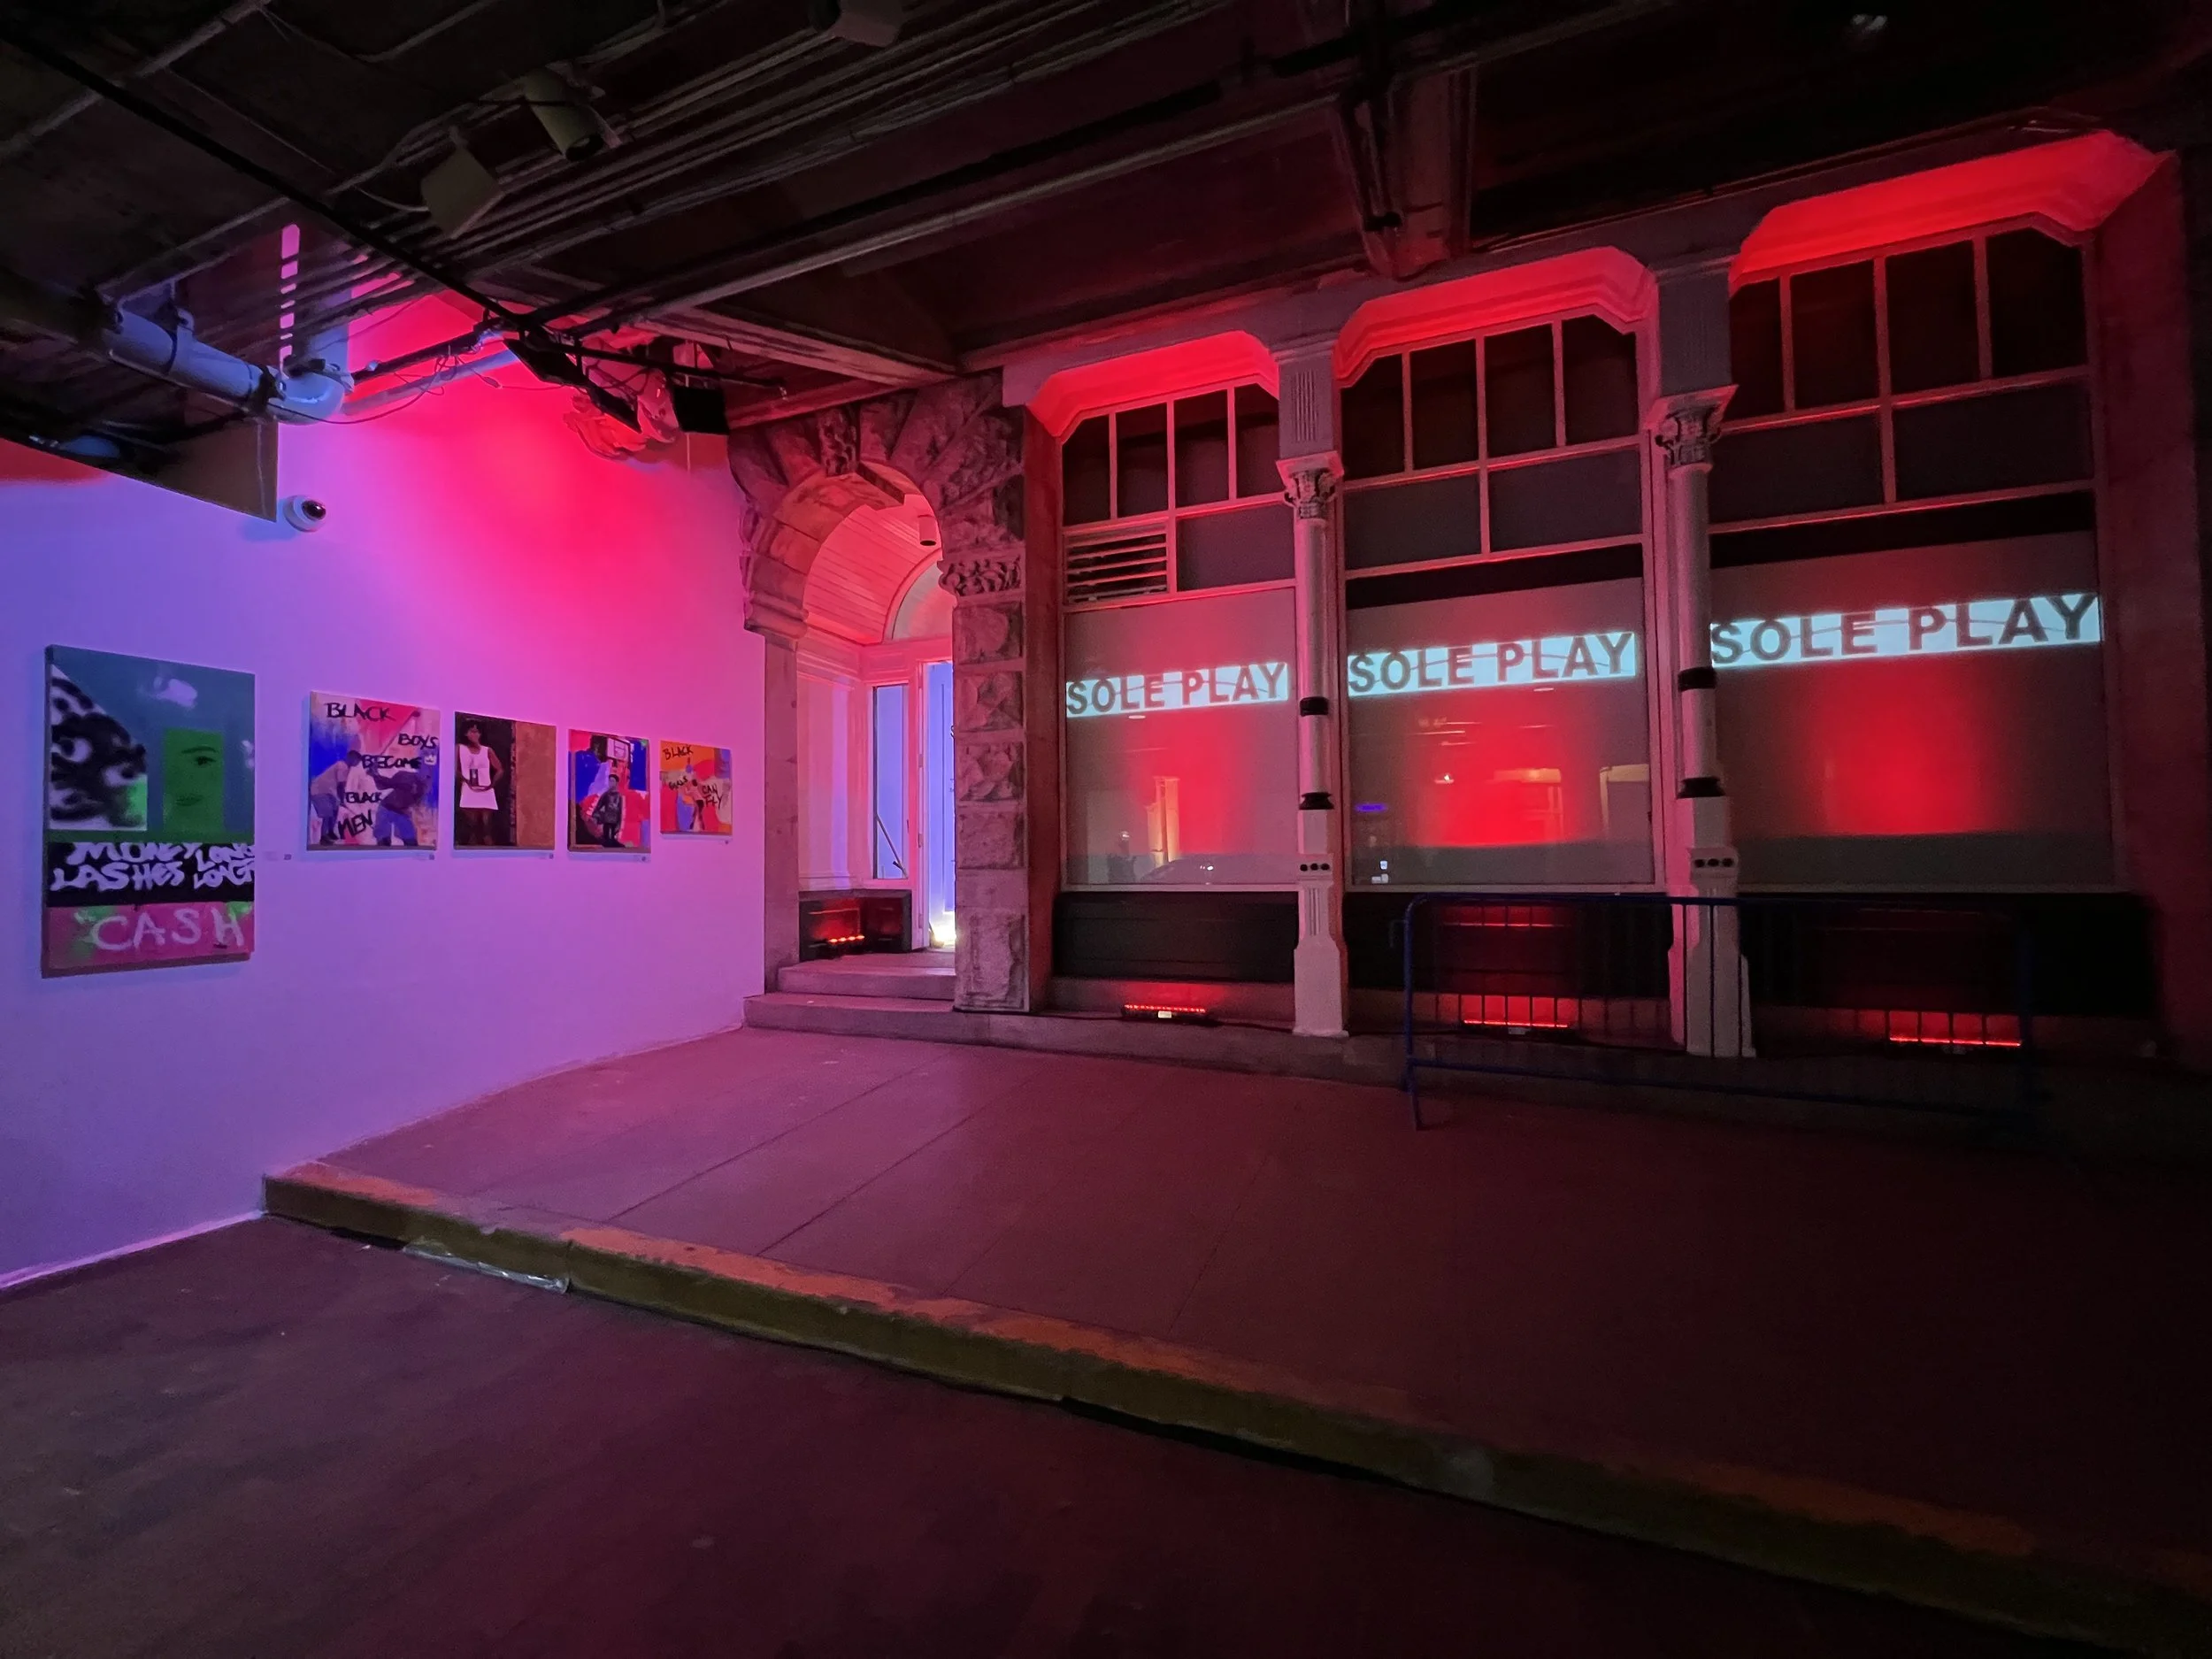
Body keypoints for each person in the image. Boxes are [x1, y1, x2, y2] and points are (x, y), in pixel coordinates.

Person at [455, 722, 503, 847]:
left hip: (485, 789)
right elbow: (454, 768)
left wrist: (492, 784)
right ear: (465, 734)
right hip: (469, 788)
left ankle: (490, 853)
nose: (475, 734)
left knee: (487, 827)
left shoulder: (487, 750)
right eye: (472, 731)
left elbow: (499, 769)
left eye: (477, 732)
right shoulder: (459, 748)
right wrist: (464, 780)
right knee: (472, 826)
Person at [365, 755, 429, 848]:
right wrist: (375, 775)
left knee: (410, 841)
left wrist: (375, 774)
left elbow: (417, 803)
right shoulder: (404, 775)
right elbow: (386, 784)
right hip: (386, 808)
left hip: (401, 812)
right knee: (383, 841)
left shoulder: (423, 787)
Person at [309, 749, 359, 845]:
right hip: (319, 790)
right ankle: (323, 837)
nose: (357, 763)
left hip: (329, 792)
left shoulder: (346, 767)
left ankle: (330, 832)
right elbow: (341, 785)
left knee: (335, 809)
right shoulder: (342, 766)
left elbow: (340, 786)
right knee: (327, 812)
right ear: (351, 757)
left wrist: (340, 800)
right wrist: (342, 800)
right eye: (356, 760)